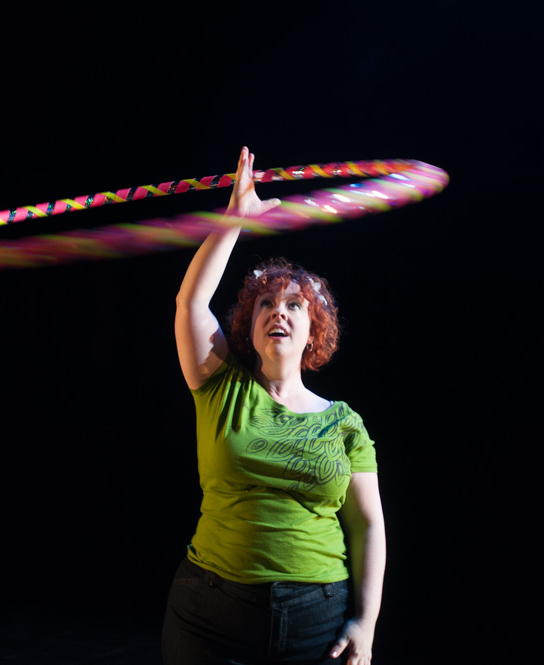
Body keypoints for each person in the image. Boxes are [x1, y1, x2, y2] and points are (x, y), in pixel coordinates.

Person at [162, 147, 387, 665]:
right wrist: (235, 219)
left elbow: (368, 525)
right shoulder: (221, 386)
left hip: (317, 621)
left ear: (313, 330)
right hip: (209, 613)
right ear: (250, 323)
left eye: (293, 305)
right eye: (266, 303)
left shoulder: (344, 423)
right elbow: (191, 303)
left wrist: (366, 621)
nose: (278, 312)